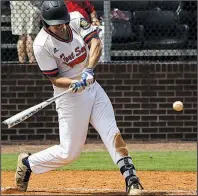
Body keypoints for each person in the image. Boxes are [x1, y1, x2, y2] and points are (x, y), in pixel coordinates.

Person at [15, 1, 143, 195]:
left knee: (112, 133)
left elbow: (95, 43)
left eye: (62, 22)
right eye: (55, 24)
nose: (60, 26)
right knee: (69, 153)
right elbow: (55, 79)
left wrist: (88, 70)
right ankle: (28, 163)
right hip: (70, 98)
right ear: (45, 22)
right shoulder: (41, 44)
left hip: (93, 88)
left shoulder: (75, 19)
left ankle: (132, 180)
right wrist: (73, 83)